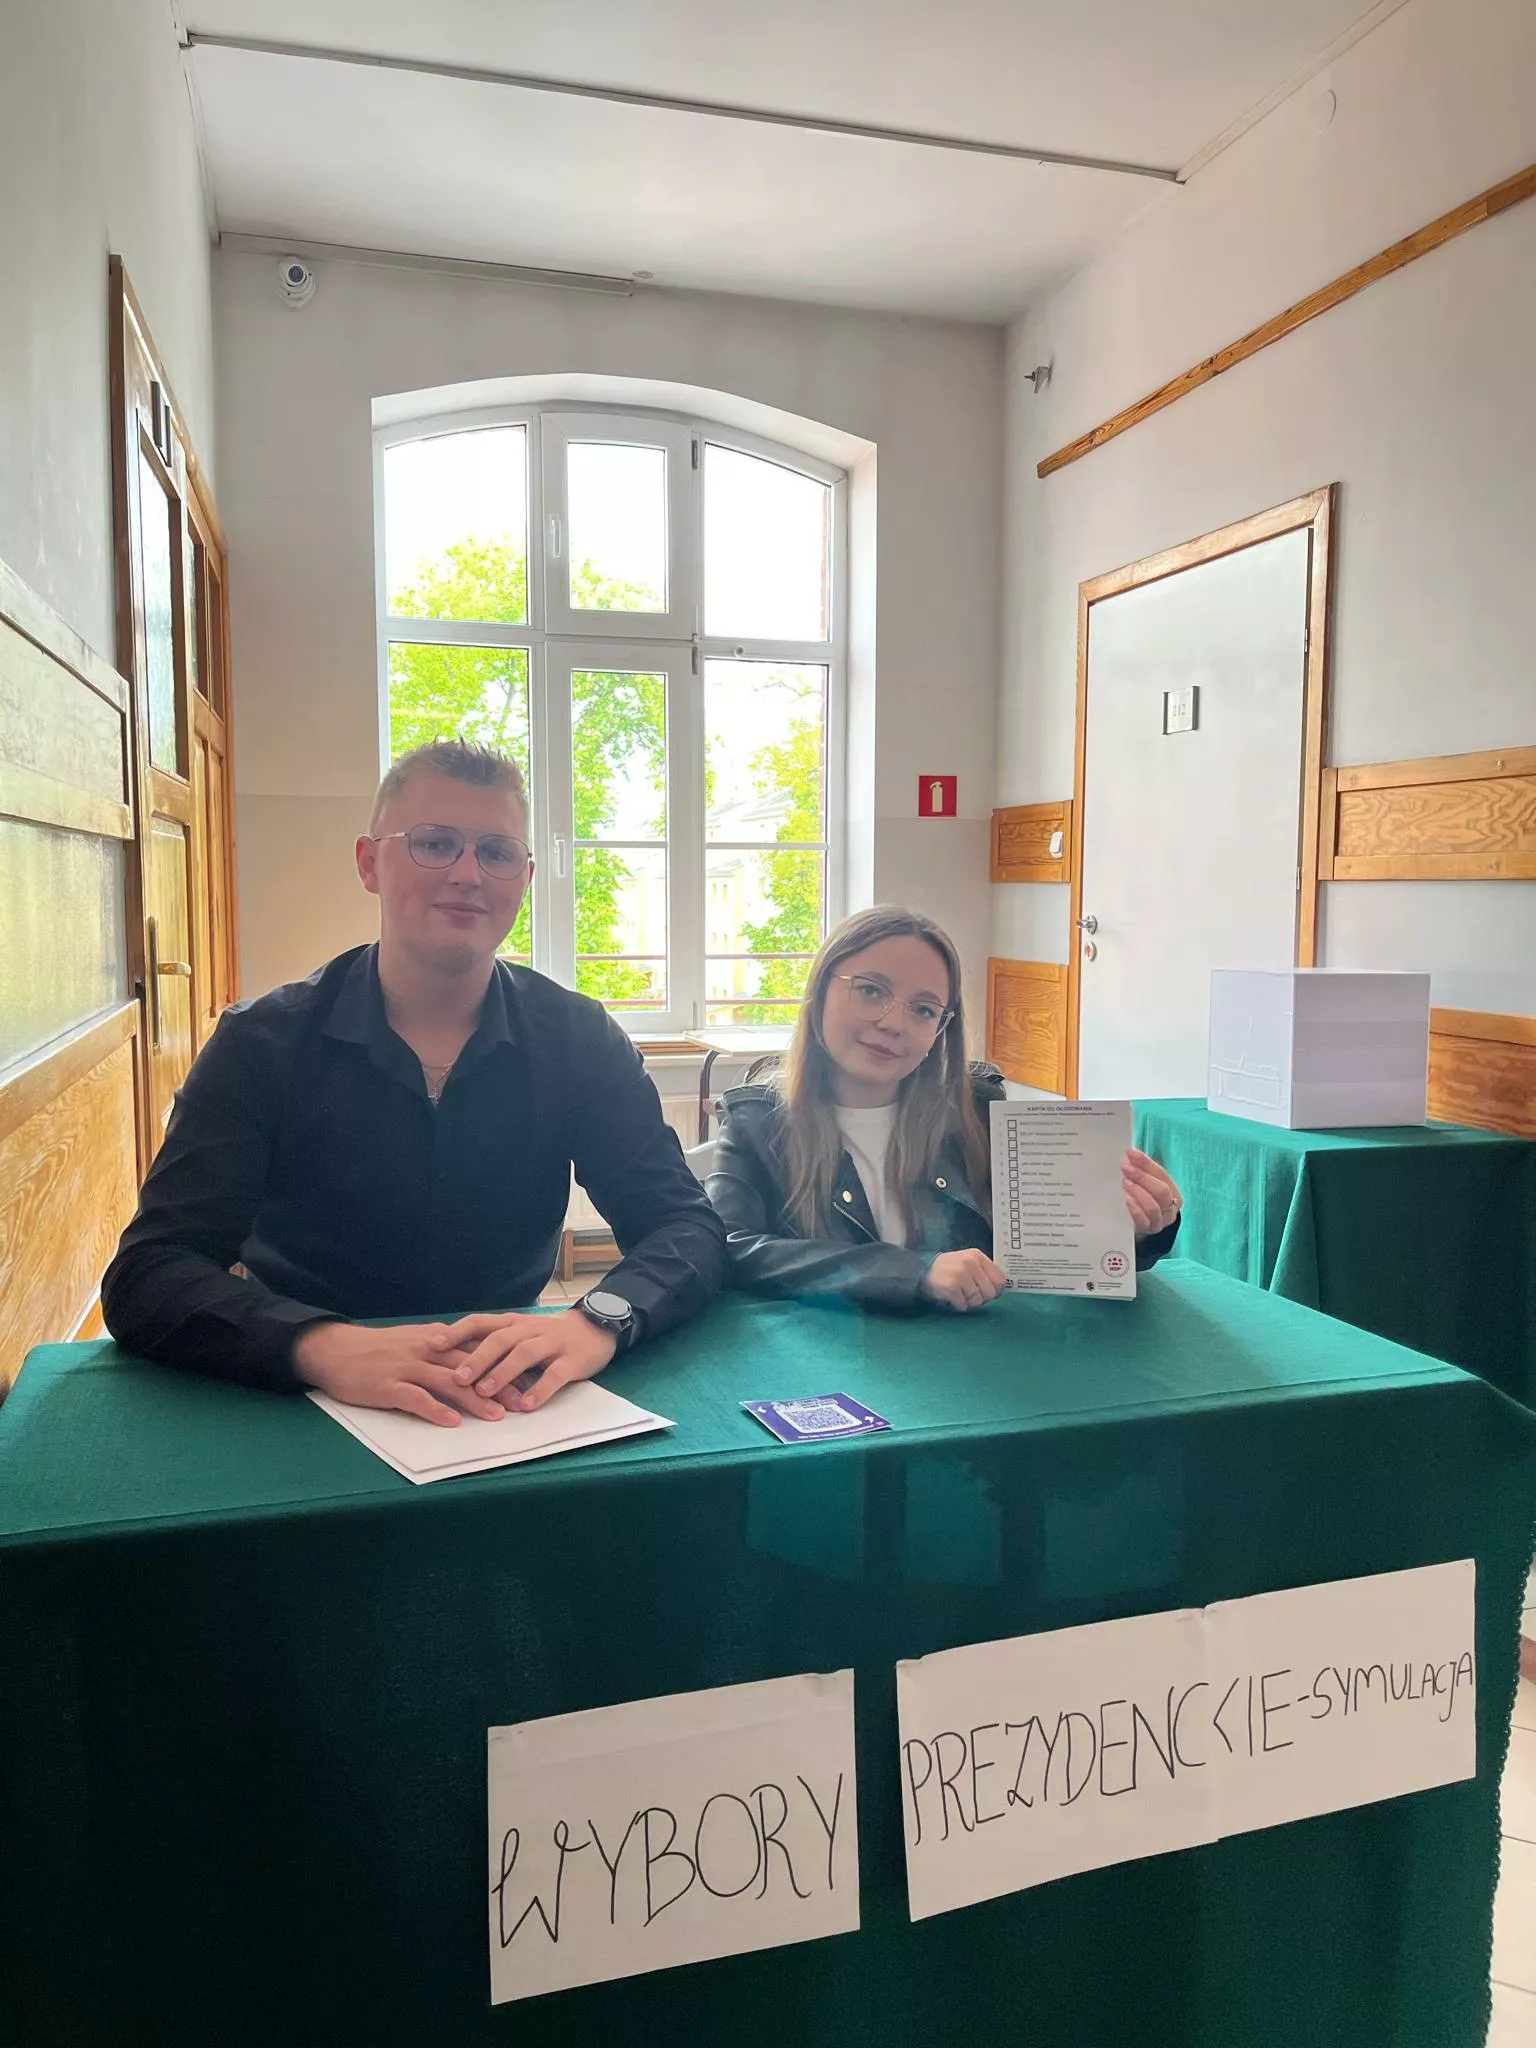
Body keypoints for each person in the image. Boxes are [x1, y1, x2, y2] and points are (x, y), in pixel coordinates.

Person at [102, 738, 727, 1422]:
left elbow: (685, 1225)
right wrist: (317, 1346)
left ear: (525, 877)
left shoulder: (579, 1038)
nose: (468, 874)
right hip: (301, 1396)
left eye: (497, 853)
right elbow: (151, 1270)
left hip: (504, 1399)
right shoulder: (260, 1043)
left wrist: (597, 1319)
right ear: (369, 862)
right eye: (435, 843)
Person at [705, 905, 1181, 1311]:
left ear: (940, 1030)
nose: (894, 1023)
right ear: (819, 992)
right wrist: (914, 1272)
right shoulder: (757, 1121)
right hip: (830, 1369)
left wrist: (1134, 1229)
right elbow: (728, 1249)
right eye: (870, 990)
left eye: (924, 1009)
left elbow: (1061, 1257)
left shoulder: (980, 1111)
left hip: (977, 1367)